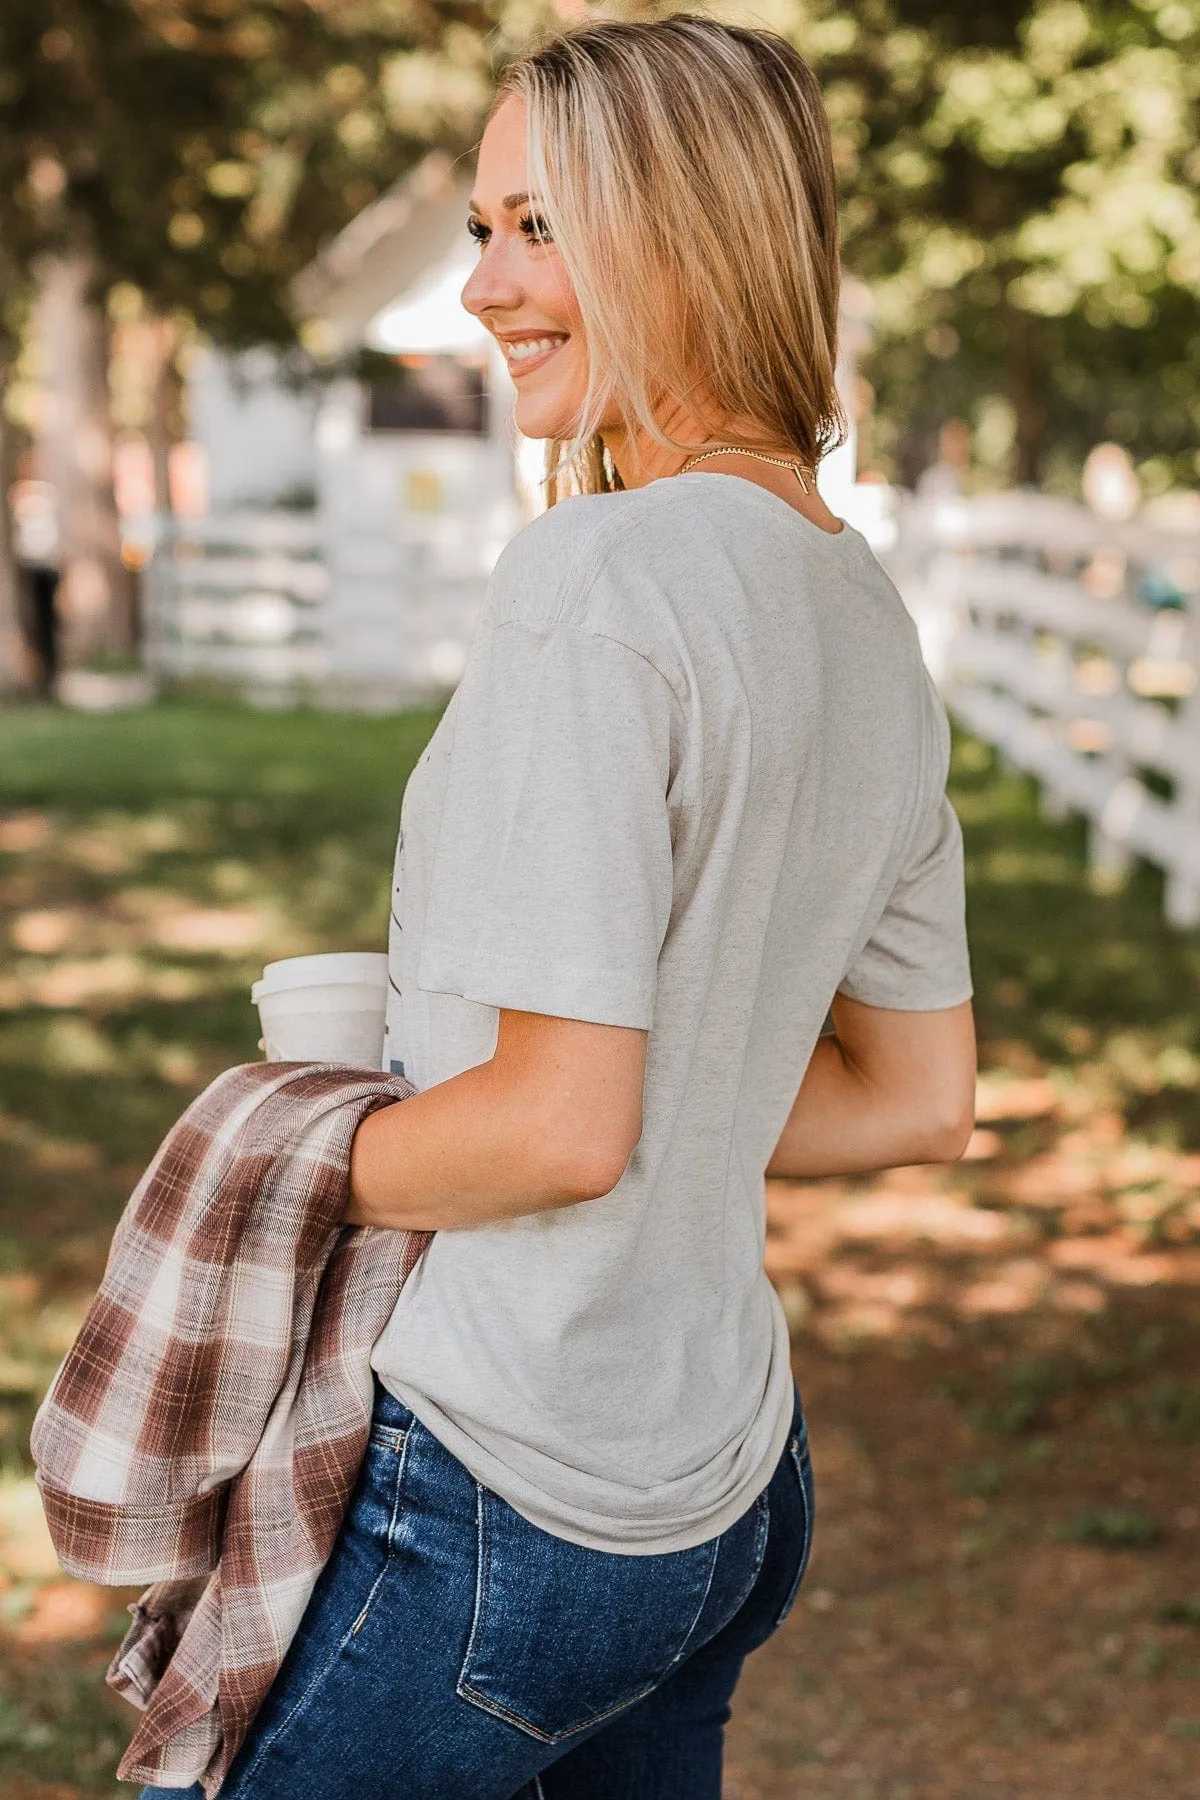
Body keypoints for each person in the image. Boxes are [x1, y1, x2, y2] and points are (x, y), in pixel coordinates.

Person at [141, 18, 975, 1799]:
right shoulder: (863, 613)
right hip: (726, 1491)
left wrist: (278, 1155)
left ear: (685, 235)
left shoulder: (598, 577)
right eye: (482, 230)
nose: (485, 291)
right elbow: (919, 1099)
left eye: (542, 228)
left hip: (513, 1486)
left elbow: (560, 1125)